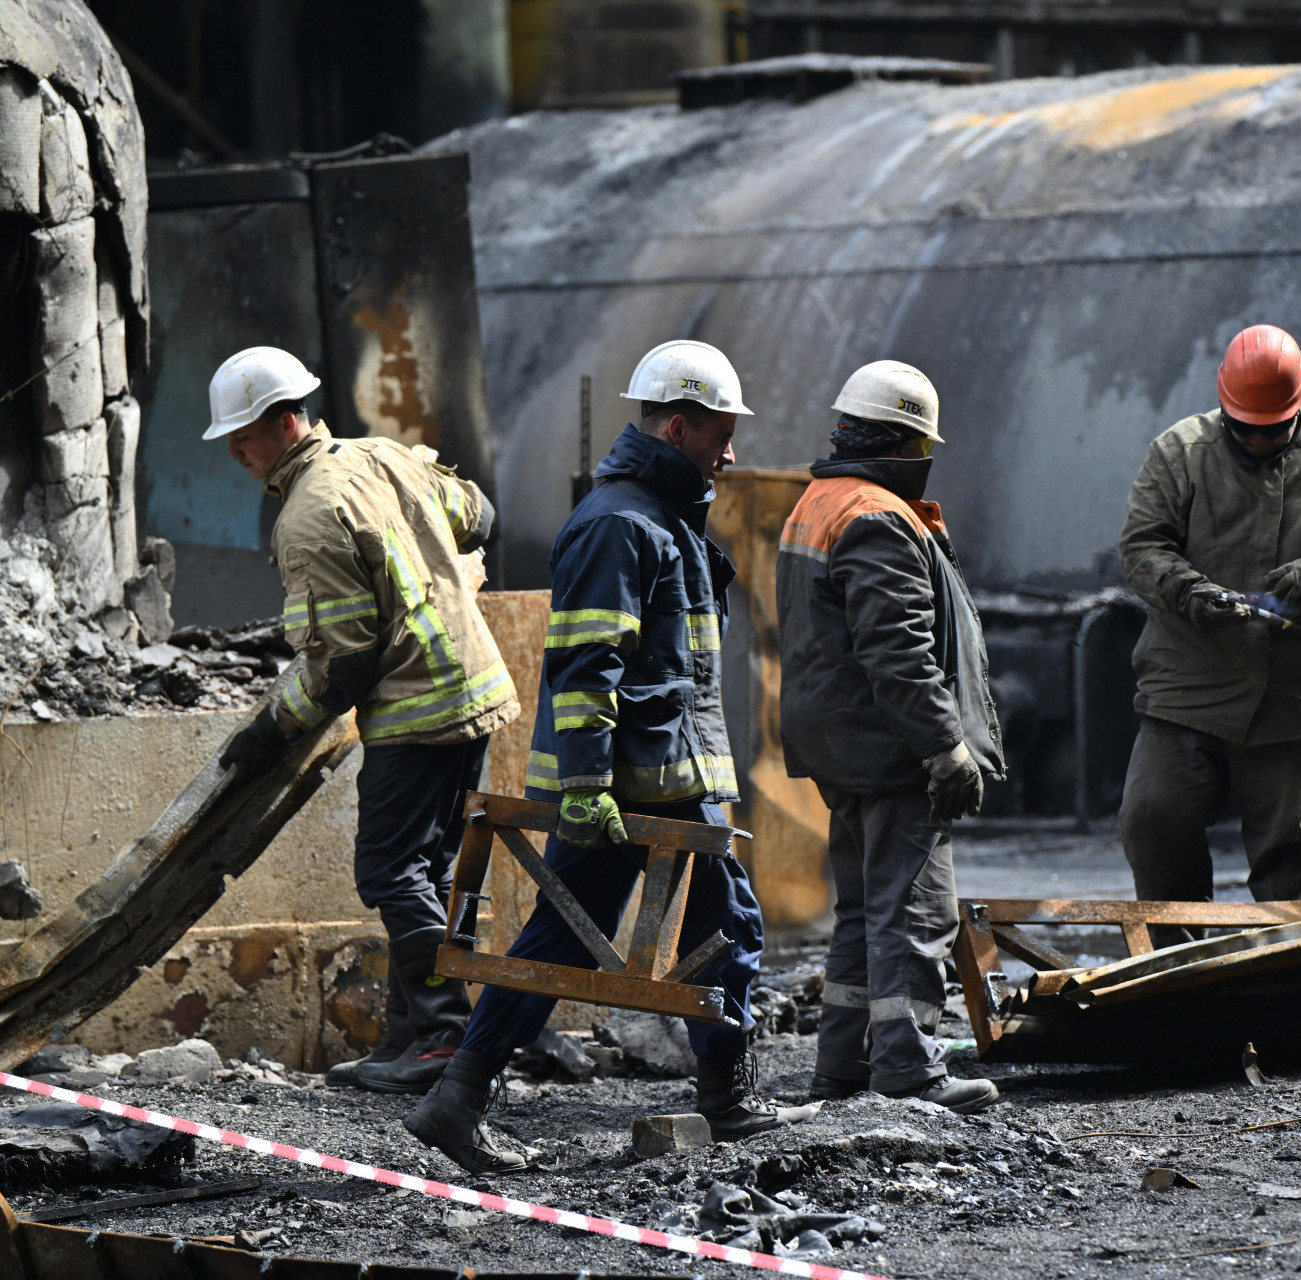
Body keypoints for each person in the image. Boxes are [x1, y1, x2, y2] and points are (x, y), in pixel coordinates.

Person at [404, 340, 817, 1175]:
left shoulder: (662, 518)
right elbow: (588, 665)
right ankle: (460, 1098)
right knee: (575, 936)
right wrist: (588, 783)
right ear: (677, 427)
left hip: (668, 774)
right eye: (720, 434)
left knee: (713, 924)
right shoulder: (620, 524)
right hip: (630, 784)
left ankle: (721, 1098)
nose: (731, 452)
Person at [206, 346, 518, 1093]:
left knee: (388, 871)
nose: (235, 454)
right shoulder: (384, 455)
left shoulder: (308, 515)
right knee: (427, 873)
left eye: (241, 437)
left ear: (284, 422)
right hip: (473, 693)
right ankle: (409, 1038)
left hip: (416, 714)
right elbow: (482, 517)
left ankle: (442, 1037)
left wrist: (269, 732)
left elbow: (342, 666)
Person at [1117, 326, 1301, 941]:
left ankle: (1282, 979)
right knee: (1154, 815)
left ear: (1298, 405)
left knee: (1290, 859)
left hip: (1293, 696)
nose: (1257, 439)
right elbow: (1143, 548)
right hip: (1189, 686)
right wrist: (1187, 591)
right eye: (1244, 428)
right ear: (1223, 402)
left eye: (1272, 430)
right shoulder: (1179, 454)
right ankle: (1176, 966)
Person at [775, 360, 1004, 1114]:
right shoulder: (877, 515)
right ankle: (910, 1070)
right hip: (890, 749)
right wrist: (944, 747)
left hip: (840, 746)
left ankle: (841, 1071)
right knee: (913, 909)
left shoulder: (819, 501)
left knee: (862, 910)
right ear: (908, 444)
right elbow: (899, 652)